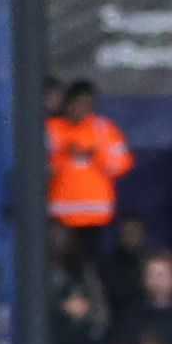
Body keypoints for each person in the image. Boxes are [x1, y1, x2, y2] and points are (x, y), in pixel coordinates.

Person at [45, 78, 135, 273]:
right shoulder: (53, 128)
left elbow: (122, 163)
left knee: (93, 268)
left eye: (87, 103)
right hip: (61, 215)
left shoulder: (103, 129)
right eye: (78, 102)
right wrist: (64, 154)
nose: (82, 108)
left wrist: (94, 156)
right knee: (60, 266)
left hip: (96, 216)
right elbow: (40, 167)